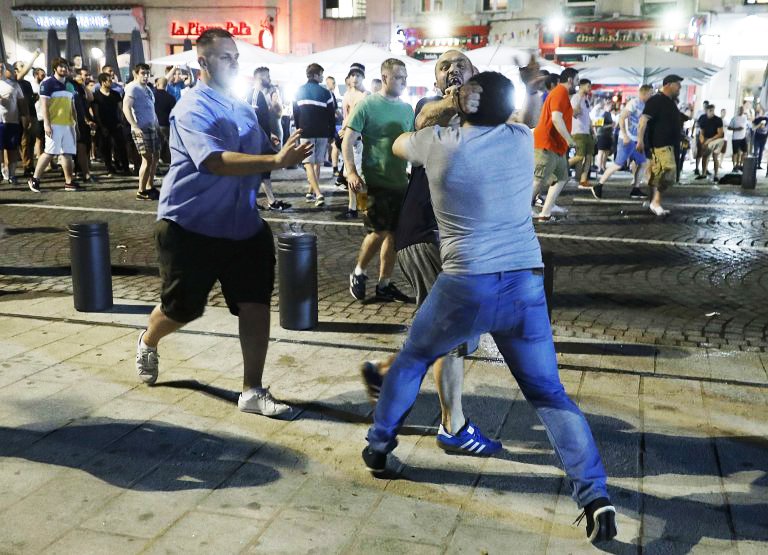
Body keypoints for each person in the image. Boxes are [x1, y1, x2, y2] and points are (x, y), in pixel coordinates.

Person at [363, 71, 616, 545]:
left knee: (415, 358)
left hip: (464, 283)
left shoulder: (439, 142)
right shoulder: (521, 139)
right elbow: (510, 113)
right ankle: (595, 495)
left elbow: (399, 141)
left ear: (463, 103)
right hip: (524, 282)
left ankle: (379, 446)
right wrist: (474, 102)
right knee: (549, 394)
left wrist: (450, 103)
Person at [135, 28, 313, 416]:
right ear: (202, 62)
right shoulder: (190, 107)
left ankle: (252, 389)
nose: (234, 63)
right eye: (224, 57)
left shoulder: (242, 107)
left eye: (235, 57)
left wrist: (286, 151)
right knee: (182, 309)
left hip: (243, 227)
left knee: (255, 303)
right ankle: (149, 339)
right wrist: (275, 161)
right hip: (189, 225)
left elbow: (262, 156)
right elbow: (213, 161)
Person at [361, 49, 499, 456]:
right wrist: (455, 102)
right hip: (426, 233)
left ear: (477, 74)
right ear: (438, 81)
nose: (451, 69)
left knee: (442, 327)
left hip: (458, 237)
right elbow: (423, 120)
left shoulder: (488, 117)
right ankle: (452, 425)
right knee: (451, 331)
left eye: (460, 64)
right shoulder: (430, 107)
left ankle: (386, 374)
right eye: (443, 66)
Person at [344, 59, 414, 303]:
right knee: (376, 230)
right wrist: (351, 172)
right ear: (385, 78)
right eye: (399, 78)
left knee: (394, 234)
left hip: (399, 183)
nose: (404, 82)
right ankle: (358, 272)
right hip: (369, 183)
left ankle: (384, 284)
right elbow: (348, 140)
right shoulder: (367, 104)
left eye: (405, 77)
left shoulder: (407, 109)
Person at [531, 67, 579, 222]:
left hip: (556, 146)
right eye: (577, 81)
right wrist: (569, 140)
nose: (577, 85)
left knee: (561, 178)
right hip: (547, 143)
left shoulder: (561, 94)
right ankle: (521, 211)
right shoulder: (560, 92)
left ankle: (545, 213)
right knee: (538, 180)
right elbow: (556, 118)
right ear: (570, 80)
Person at [28, 57, 81, 192]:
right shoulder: (47, 83)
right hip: (54, 124)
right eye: (61, 66)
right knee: (50, 152)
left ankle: (69, 182)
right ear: (55, 68)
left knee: (67, 154)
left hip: (68, 125)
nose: (64, 69)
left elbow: (72, 107)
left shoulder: (70, 85)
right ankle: (34, 179)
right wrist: (47, 124)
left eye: (66, 67)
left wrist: (76, 125)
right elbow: (44, 105)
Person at [591, 85, 653, 200]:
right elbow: (622, 118)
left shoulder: (645, 106)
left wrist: (640, 140)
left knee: (643, 163)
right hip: (627, 140)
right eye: (651, 93)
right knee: (618, 164)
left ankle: (636, 188)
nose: (652, 95)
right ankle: (599, 185)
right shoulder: (634, 103)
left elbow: (642, 125)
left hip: (635, 140)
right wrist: (624, 135)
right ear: (644, 93)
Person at [636, 74, 684, 216]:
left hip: (670, 144)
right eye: (677, 84)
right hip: (659, 144)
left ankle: (653, 201)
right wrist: (640, 140)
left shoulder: (670, 102)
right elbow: (643, 120)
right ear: (668, 84)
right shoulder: (656, 100)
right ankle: (654, 201)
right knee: (668, 171)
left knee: (662, 174)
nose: (680, 87)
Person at [247, 67, 290, 211]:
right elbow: (253, 119)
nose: (269, 79)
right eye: (267, 76)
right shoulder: (253, 94)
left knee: (263, 170)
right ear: (258, 78)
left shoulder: (259, 94)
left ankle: (269, 200)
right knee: (258, 170)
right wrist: (264, 135)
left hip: (262, 137)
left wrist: (269, 134)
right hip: (256, 139)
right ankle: (253, 201)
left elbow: (262, 119)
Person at [293, 63, 335, 207]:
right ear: (316, 75)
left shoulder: (299, 91)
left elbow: (296, 113)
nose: (322, 77)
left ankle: (315, 193)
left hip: (306, 131)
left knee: (308, 164)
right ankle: (315, 193)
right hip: (322, 132)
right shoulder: (325, 93)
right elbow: (331, 115)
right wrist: (331, 134)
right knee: (316, 163)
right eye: (321, 74)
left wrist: (298, 130)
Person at [123, 63, 161, 200]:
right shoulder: (133, 88)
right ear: (136, 73)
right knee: (147, 158)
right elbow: (126, 108)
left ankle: (150, 186)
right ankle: (141, 190)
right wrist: (134, 125)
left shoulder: (148, 89)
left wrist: (157, 126)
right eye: (142, 73)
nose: (145, 76)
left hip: (152, 128)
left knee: (155, 158)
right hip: (141, 128)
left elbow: (151, 110)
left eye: (147, 73)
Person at [339, 63, 370, 218]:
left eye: (358, 75)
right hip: (348, 141)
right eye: (352, 75)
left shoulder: (365, 95)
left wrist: (345, 129)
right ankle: (352, 208)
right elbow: (346, 115)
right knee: (349, 174)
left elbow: (355, 117)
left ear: (363, 77)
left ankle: (363, 207)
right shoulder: (347, 94)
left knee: (361, 176)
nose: (355, 78)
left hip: (360, 140)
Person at [92, 72, 129, 176]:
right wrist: (101, 126)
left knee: (121, 147)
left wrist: (121, 121)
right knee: (106, 148)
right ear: (103, 82)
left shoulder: (115, 94)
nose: (111, 82)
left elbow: (121, 109)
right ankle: (110, 168)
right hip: (104, 125)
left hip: (116, 124)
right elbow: (96, 112)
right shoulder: (96, 96)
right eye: (109, 80)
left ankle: (125, 167)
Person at [0, 63, 29, 186]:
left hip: (13, 122)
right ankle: (2, 172)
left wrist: (25, 116)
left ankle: (12, 174)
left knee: (12, 149)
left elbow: (22, 102)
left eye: (2, 67)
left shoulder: (14, 85)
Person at [569, 78, 595, 188]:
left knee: (589, 157)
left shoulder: (586, 99)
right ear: (582, 86)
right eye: (588, 86)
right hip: (578, 131)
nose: (589, 89)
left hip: (586, 132)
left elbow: (588, 117)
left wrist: (592, 130)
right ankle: (558, 168)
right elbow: (573, 113)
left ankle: (583, 180)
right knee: (579, 156)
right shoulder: (576, 97)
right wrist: (578, 107)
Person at [696, 104, 724, 182]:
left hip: (716, 139)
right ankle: (703, 174)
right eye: (710, 111)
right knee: (704, 156)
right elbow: (701, 133)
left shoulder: (718, 119)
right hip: (706, 138)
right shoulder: (703, 119)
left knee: (715, 157)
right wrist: (703, 143)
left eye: (713, 110)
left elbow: (720, 134)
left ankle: (716, 175)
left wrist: (710, 140)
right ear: (706, 111)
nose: (712, 112)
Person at [153, 77, 176, 164]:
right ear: (166, 85)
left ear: (157, 84)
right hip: (166, 125)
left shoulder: (152, 96)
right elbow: (174, 112)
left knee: (156, 146)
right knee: (168, 145)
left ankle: (156, 164)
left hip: (154, 124)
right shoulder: (171, 98)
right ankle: (169, 162)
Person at [325, 75, 342, 173]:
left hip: (332, 124)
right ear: (328, 83)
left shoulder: (331, 94)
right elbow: (334, 110)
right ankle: (335, 168)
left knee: (334, 145)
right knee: (335, 145)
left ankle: (334, 165)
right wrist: (342, 117)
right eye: (333, 83)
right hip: (331, 124)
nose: (335, 85)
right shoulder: (328, 94)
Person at [727, 106, 749, 171]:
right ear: (738, 110)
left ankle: (741, 165)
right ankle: (734, 166)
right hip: (735, 138)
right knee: (735, 153)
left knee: (745, 152)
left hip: (743, 137)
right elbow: (729, 127)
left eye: (742, 109)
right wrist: (737, 129)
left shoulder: (745, 118)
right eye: (740, 109)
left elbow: (746, 126)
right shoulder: (734, 118)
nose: (741, 111)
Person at [693, 100, 710, 176]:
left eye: (706, 106)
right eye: (704, 106)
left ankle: (705, 169)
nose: (705, 107)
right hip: (699, 134)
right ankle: (697, 168)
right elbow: (696, 123)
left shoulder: (710, 114)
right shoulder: (699, 113)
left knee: (707, 152)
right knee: (699, 151)